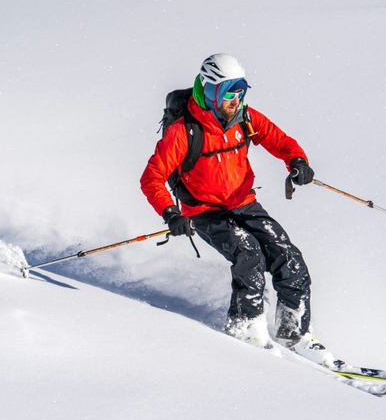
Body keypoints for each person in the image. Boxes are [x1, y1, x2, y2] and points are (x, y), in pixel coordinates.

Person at [140, 53, 334, 364]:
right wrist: (170, 213)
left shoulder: (244, 117)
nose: (236, 98)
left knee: (289, 257)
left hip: (243, 202)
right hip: (203, 211)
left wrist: (297, 161)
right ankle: (246, 329)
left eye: (241, 90)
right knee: (249, 255)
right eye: (229, 92)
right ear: (211, 91)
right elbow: (152, 178)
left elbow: (279, 140)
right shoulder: (184, 130)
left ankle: (293, 332)